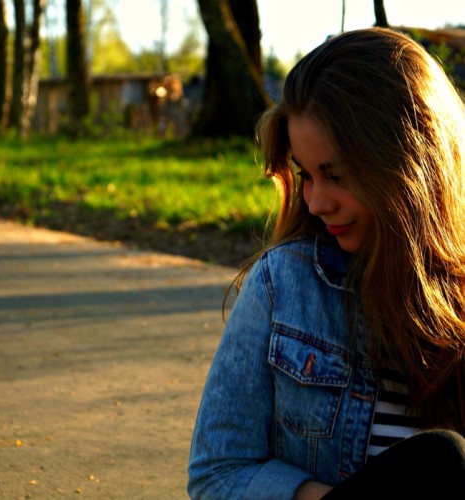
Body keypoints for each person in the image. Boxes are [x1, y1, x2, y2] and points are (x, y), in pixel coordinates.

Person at [187, 27, 465, 499]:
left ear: (410, 165)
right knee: (443, 458)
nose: (315, 203)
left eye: (334, 175)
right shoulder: (283, 284)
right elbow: (217, 473)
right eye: (307, 175)